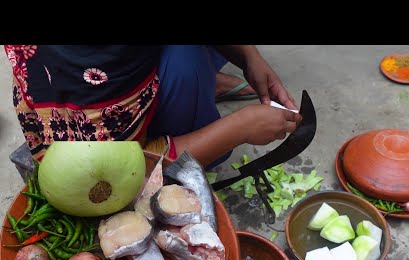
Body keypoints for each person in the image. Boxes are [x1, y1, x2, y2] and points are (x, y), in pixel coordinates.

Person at [4, 45, 302, 168]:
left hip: (118, 86)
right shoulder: (94, 68)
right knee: (188, 65)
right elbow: (127, 168)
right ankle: (196, 84)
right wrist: (238, 129)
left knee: (189, 57)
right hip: (103, 146)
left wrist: (249, 57)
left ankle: (204, 80)